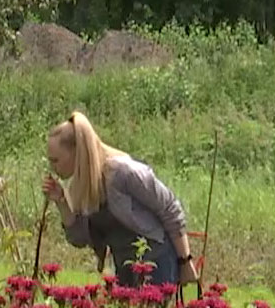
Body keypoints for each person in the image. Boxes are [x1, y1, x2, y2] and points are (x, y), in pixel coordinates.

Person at [42, 111, 197, 289]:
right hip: (124, 266)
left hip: (156, 263)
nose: (52, 167)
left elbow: (169, 208)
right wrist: (61, 201)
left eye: (55, 160)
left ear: (77, 152)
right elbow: (80, 239)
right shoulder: (81, 185)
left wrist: (185, 261)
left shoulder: (123, 172)